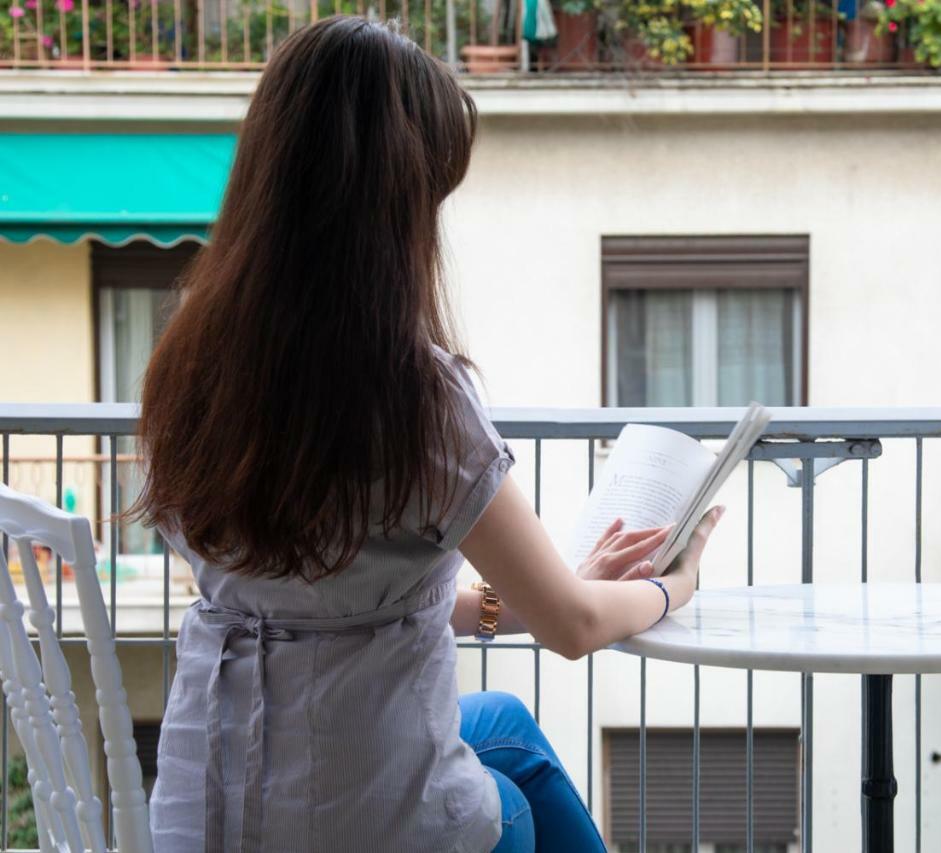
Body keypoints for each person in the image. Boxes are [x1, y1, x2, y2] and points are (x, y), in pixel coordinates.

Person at [131, 16, 723, 853]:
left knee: (506, 726)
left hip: (206, 812)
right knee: (511, 801)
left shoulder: (188, 363)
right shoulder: (414, 397)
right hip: (361, 816)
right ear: (395, 205)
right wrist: (676, 585)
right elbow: (575, 628)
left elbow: (318, 600)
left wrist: (505, 603)